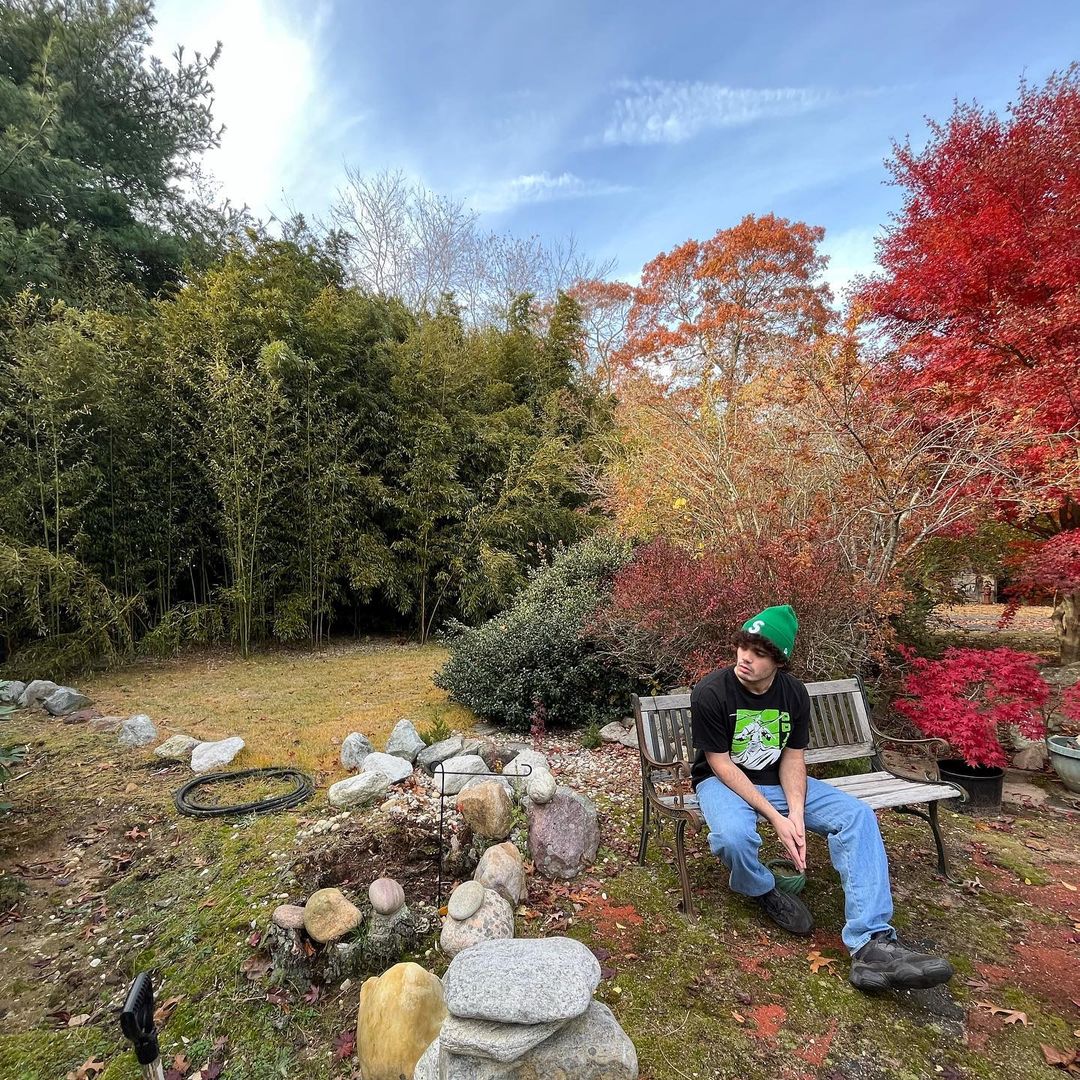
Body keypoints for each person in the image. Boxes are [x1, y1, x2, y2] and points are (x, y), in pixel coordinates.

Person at [690, 605, 955, 992]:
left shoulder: (793, 694)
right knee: (733, 837)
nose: (746, 658)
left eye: (759, 652)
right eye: (744, 647)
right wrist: (776, 819)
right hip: (722, 782)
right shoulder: (711, 692)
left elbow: (793, 758)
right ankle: (762, 889)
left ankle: (872, 945)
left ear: (779, 660)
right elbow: (721, 764)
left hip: (781, 783)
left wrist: (795, 813)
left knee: (857, 816)